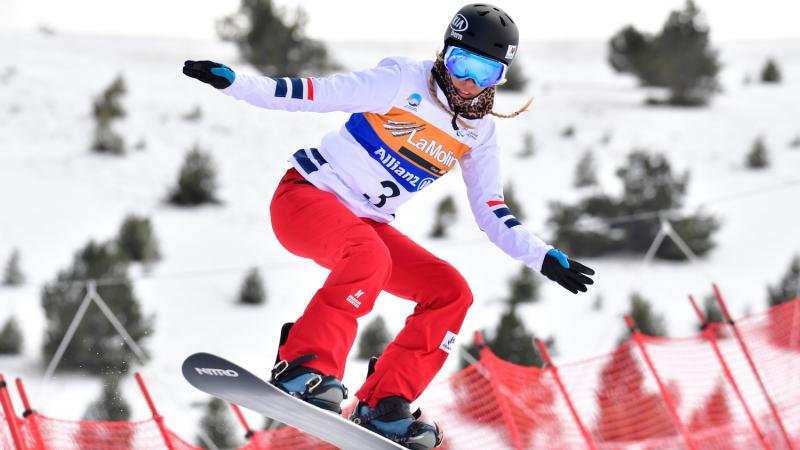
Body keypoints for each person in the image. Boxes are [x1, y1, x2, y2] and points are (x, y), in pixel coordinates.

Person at [183, 3, 595, 448]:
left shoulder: (479, 132)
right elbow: (313, 92)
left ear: (501, 78)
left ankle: (385, 404)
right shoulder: (401, 81)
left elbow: (491, 210)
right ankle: (303, 365)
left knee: (450, 292)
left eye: (486, 73)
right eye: (462, 65)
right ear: (445, 53)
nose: (469, 83)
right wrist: (238, 84)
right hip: (304, 199)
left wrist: (541, 255)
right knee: (369, 256)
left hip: (363, 225)